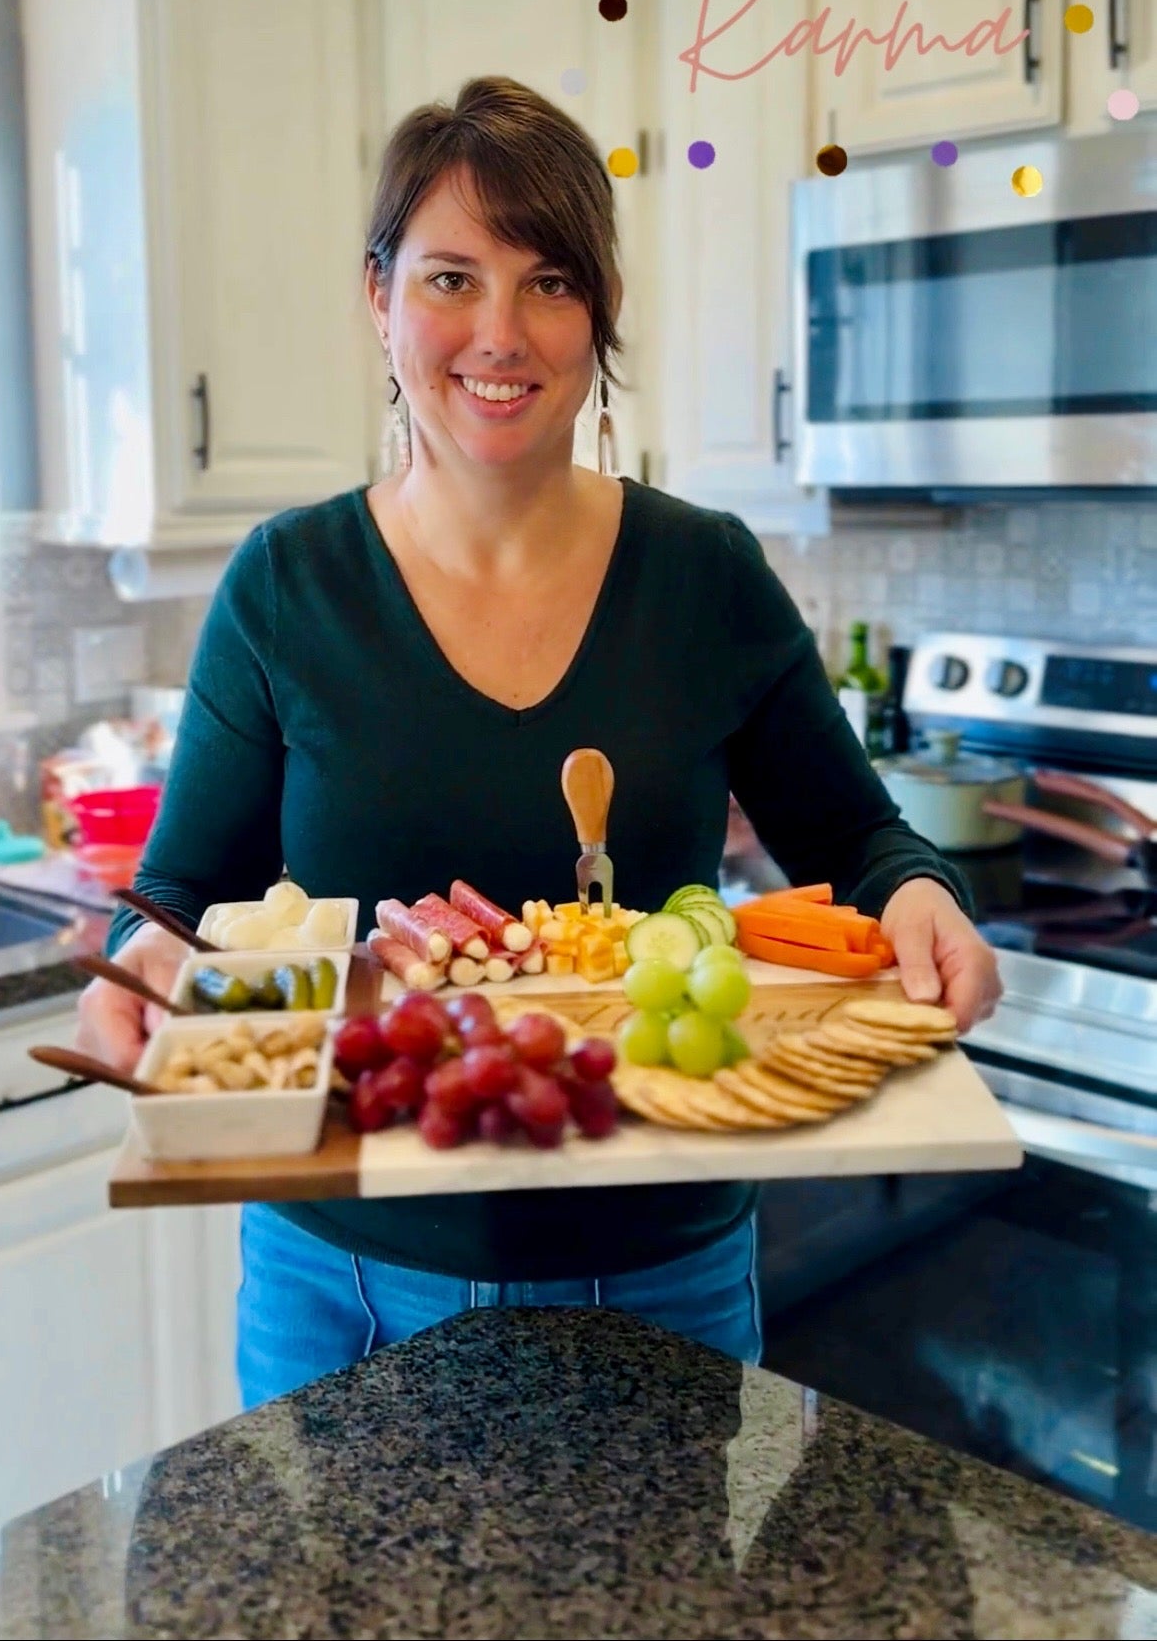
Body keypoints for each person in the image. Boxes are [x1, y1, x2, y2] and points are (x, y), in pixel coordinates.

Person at [78, 76, 1002, 1409]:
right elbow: (173, 905)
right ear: (379, 297)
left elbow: (859, 837)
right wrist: (147, 968)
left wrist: (924, 897)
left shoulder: (707, 575)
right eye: (452, 276)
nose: (499, 333)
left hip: (661, 1281)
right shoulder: (288, 587)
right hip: (341, 1282)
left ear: (598, 317)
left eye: (551, 282)